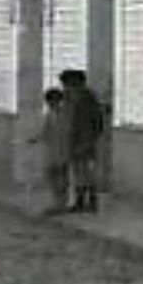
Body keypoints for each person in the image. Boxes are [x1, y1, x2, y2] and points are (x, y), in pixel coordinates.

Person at [59, 68, 105, 213]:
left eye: (67, 85)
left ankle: (90, 201)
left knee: (86, 173)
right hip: (75, 140)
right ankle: (81, 201)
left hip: (85, 141)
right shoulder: (71, 98)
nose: (65, 88)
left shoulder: (86, 100)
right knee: (79, 173)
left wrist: (89, 141)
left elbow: (96, 122)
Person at [28, 86, 71, 214]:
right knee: (54, 178)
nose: (51, 104)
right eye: (50, 102)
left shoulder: (65, 115)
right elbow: (44, 132)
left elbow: (68, 133)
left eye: (53, 101)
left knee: (61, 179)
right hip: (52, 152)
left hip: (62, 151)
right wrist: (34, 139)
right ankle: (58, 203)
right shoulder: (50, 115)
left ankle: (62, 204)